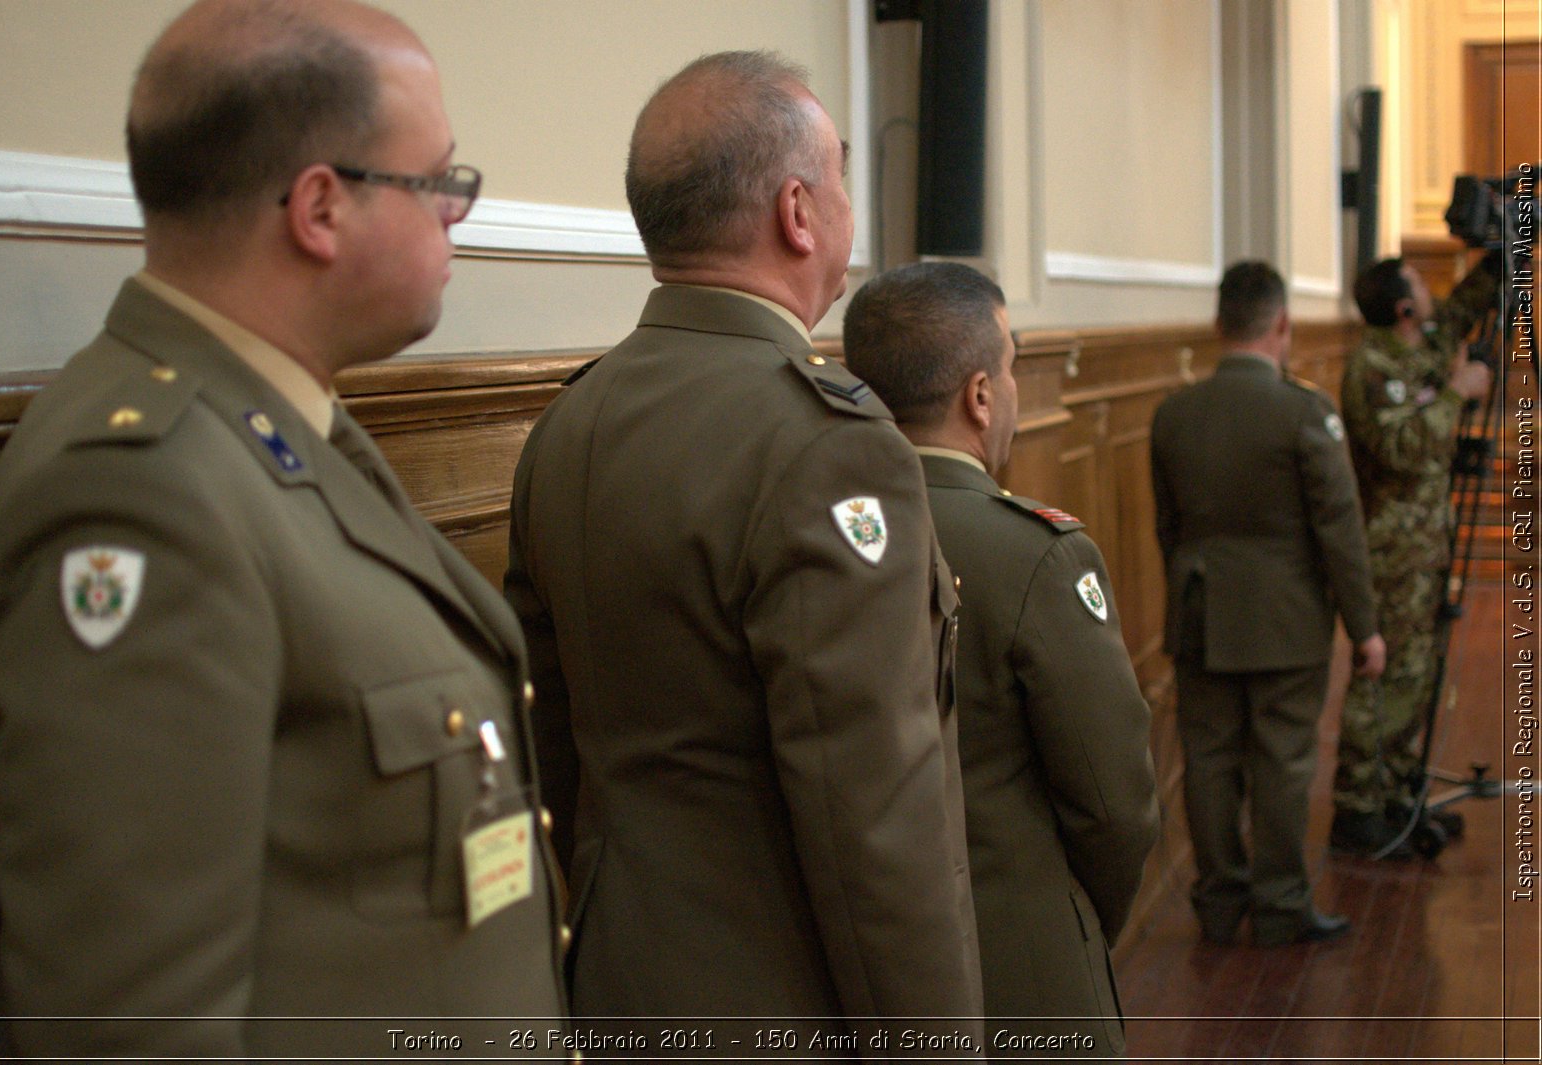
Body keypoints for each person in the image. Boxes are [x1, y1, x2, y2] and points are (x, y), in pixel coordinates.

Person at [0, 1, 567, 1057]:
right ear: (320, 209)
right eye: (440, 182)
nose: (457, 214)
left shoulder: (276, 421)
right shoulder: (142, 498)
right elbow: (133, 1027)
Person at [504, 51, 983, 1041]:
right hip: (780, 1000)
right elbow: (877, 822)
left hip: (609, 977)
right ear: (798, 213)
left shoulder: (572, 422)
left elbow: (549, 746)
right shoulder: (828, 445)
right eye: (841, 175)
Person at [843, 262, 1159, 1057]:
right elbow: (1116, 804)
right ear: (980, 396)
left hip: (855, 965)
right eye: (1012, 365)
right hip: (1020, 964)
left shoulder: (813, 532)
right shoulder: (1038, 554)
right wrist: (1081, 922)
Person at [1150, 261, 1385, 946]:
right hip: (1286, 617)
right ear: (1280, 324)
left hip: (1198, 610)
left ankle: (1219, 900)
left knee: (1210, 759)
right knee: (1282, 759)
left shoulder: (1173, 414)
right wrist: (1364, 627)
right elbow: (1339, 531)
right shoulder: (1304, 412)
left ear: (1220, 324)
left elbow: (1170, 527)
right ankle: (1281, 903)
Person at [1329, 253, 1498, 855]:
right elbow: (1400, 446)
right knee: (1385, 678)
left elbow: (1458, 315)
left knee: (1418, 675)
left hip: (1426, 543)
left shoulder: (1415, 346)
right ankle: (1356, 811)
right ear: (1403, 307)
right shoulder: (1371, 367)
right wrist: (1456, 393)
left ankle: (1398, 796)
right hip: (1392, 552)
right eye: (1421, 286)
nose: (1431, 293)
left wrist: (1505, 254)